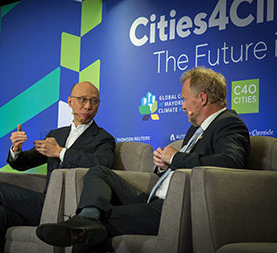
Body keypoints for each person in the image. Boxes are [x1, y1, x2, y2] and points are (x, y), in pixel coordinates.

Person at [36, 67, 251, 252]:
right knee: (99, 172)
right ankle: (88, 215)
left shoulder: (228, 123)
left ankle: (85, 221)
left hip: (174, 207)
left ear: (202, 98)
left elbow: (231, 163)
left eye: (184, 99)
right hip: (154, 198)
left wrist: (176, 158)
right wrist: (164, 166)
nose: (183, 106)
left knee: (92, 226)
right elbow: (184, 164)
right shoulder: (195, 130)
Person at [0, 81, 116, 252]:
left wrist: (60, 152)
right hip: (45, 203)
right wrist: (16, 149)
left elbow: (103, 163)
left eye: (94, 101)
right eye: (83, 100)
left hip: (72, 204)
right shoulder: (56, 134)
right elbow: (25, 163)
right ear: (70, 102)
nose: (88, 106)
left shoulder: (103, 138)